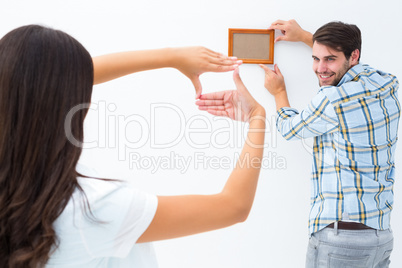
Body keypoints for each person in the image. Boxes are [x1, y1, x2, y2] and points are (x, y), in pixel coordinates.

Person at [0, 25, 266, 267]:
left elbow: (41, 83)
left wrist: (173, 58)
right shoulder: (93, 210)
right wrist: (257, 117)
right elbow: (233, 206)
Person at [261, 19, 399, 267]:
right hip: (380, 239)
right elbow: (341, 62)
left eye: (329, 59)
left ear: (353, 55)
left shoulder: (333, 100)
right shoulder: (386, 84)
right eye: (316, 58)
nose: (320, 68)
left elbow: (290, 129)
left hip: (340, 241)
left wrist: (279, 92)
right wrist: (305, 36)